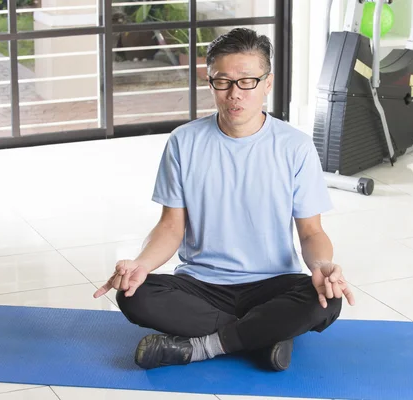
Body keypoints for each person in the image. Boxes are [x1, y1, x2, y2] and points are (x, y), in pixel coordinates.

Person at [94, 27, 355, 371]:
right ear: (210, 82)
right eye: (223, 81)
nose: (235, 94)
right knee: (134, 295)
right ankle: (263, 336)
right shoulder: (183, 142)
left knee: (325, 301)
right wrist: (141, 265)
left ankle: (203, 346)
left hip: (274, 282)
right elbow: (171, 227)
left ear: (267, 83)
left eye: (247, 81)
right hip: (201, 284)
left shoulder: (296, 146)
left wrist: (322, 267)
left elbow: (310, 232)